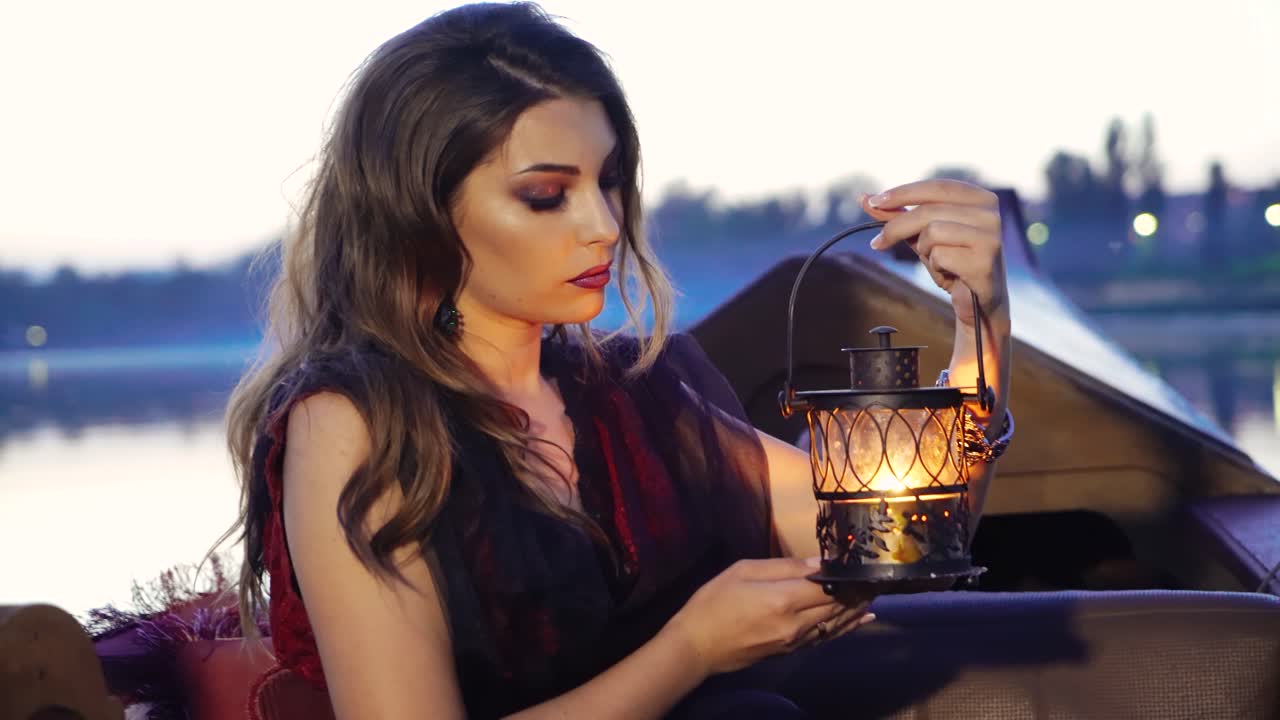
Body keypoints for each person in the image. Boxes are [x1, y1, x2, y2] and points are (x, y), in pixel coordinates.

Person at [221, 3, 1013, 718]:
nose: (603, 225)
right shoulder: (356, 423)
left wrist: (982, 319)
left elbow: (911, 535)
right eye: (546, 195)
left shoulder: (628, 396)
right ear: (420, 212)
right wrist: (690, 650)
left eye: (610, 182)